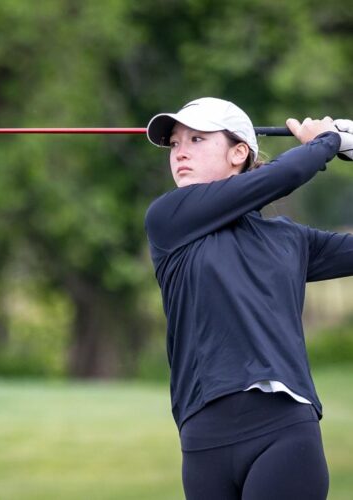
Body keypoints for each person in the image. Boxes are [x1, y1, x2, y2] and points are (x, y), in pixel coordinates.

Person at [144, 97, 353, 499]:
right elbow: (280, 176)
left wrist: (336, 145)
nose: (180, 152)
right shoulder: (169, 220)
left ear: (239, 152)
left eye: (197, 139)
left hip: (284, 435)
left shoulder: (291, 240)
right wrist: (325, 143)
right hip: (203, 441)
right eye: (174, 144)